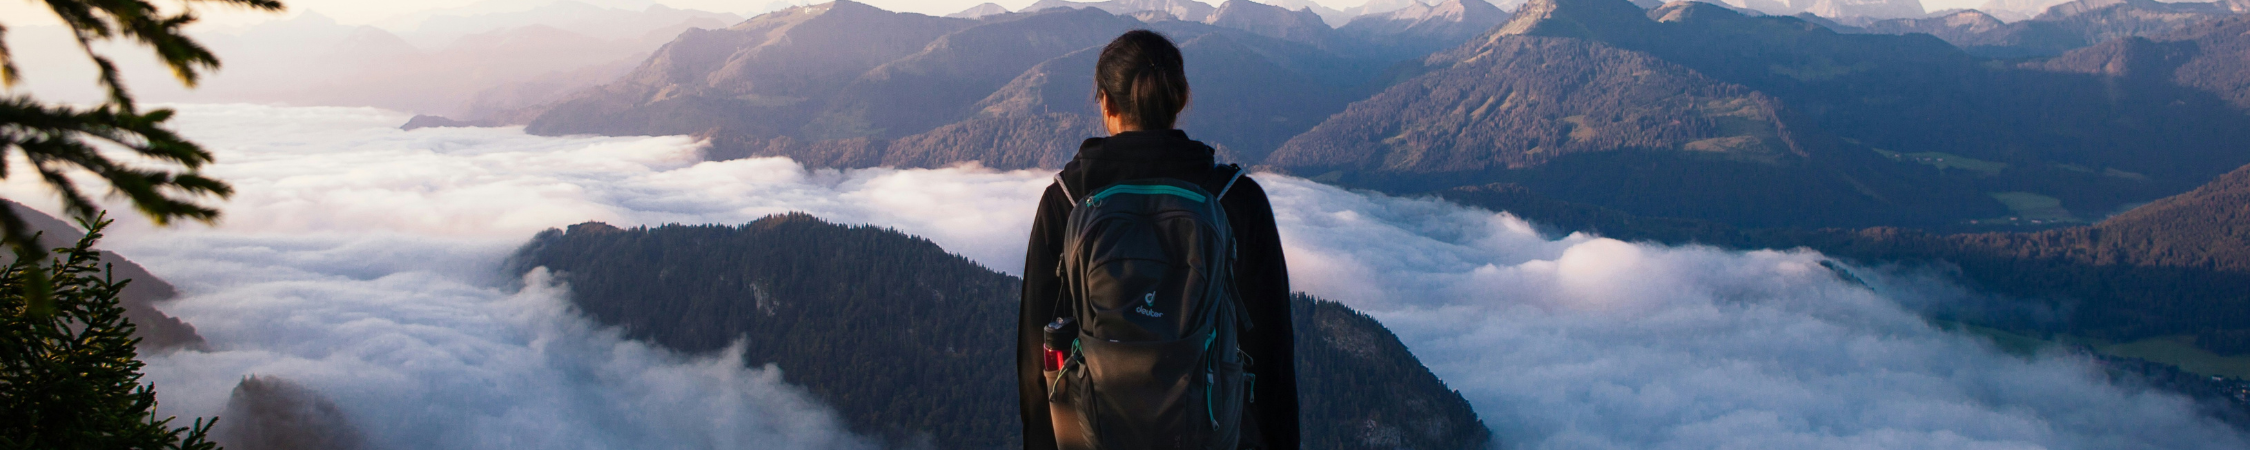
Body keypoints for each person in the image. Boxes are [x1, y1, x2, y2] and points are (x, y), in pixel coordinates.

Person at [1017, 30, 1298, 450]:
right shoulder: (1236, 199)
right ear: (1181, 100)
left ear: (1107, 105)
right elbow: (1273, 358)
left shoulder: (1067, 201)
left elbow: (1035, 360)